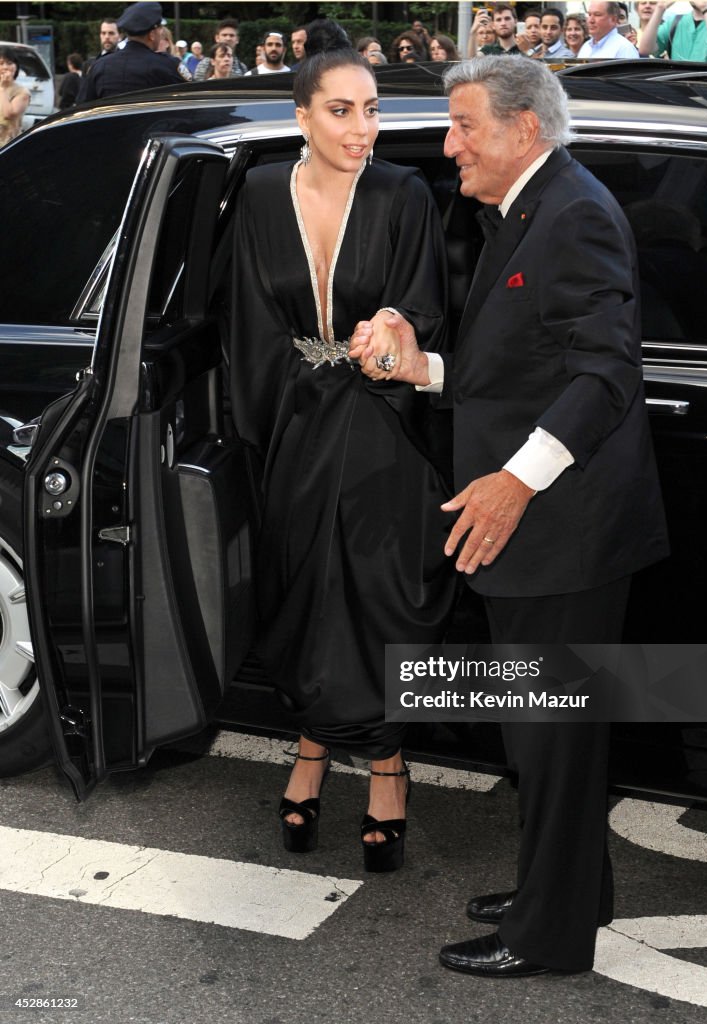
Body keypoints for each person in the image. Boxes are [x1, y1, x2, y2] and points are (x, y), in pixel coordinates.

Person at [351, 54, 668, 975]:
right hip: (544, 531)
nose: (448, 147)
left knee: (554, 740)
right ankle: (569, 888)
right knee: (543, 734)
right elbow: (517, 368)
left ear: (524, 128)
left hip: (564, 533)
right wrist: (424, 370)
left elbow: (602, 374)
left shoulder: (572, 216)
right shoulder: (526, 208)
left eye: (464, 129)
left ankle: (549, 935)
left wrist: (515, 480)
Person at [229, 20, 455, 874]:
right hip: (294, 424)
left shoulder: (403, 195)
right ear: (301, 116)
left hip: (383, 429)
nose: (362, 129)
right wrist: (265, 434)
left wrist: (396, 325)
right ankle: (314, 748)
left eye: (370, 110)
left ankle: (386, 767)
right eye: (340, 111)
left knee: (377, 601)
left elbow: (423, 305)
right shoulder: (256, 195)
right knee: (308, 602)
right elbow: (247, 327)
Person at [76, 1, 183, 102]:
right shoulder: (168, 65)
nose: (161, 33)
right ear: (152, 35)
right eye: (159, 29)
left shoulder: (100, 66)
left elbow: (83, 107)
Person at [638, 0, 707, 62]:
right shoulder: (675, 22)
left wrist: (705, 8)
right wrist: (660, 9)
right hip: (681, 91)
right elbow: (644, 49)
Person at [0, 48, 30, 147]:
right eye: (1, 63)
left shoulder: (22, 92)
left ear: (16, 66)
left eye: (9, 63)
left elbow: (8, 114)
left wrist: (3, 88)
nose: (5, 67)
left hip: (8, 146)